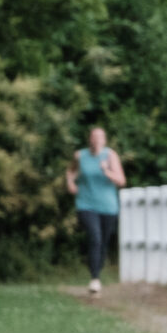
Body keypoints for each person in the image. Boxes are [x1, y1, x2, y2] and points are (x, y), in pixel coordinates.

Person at [65, 126, 126, 296]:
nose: (96, 140)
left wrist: (106, 170)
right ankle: (95, 278)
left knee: (103, 242)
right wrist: (70, 183)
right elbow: (70, 172)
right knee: (95, 237)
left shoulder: (110, 156)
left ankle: (96, 274)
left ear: (104, 140)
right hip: (85, 204)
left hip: (108, 206)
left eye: (100, 137)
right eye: (94, 137)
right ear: (89, 139)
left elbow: (121, 180)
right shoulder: (80, 156)